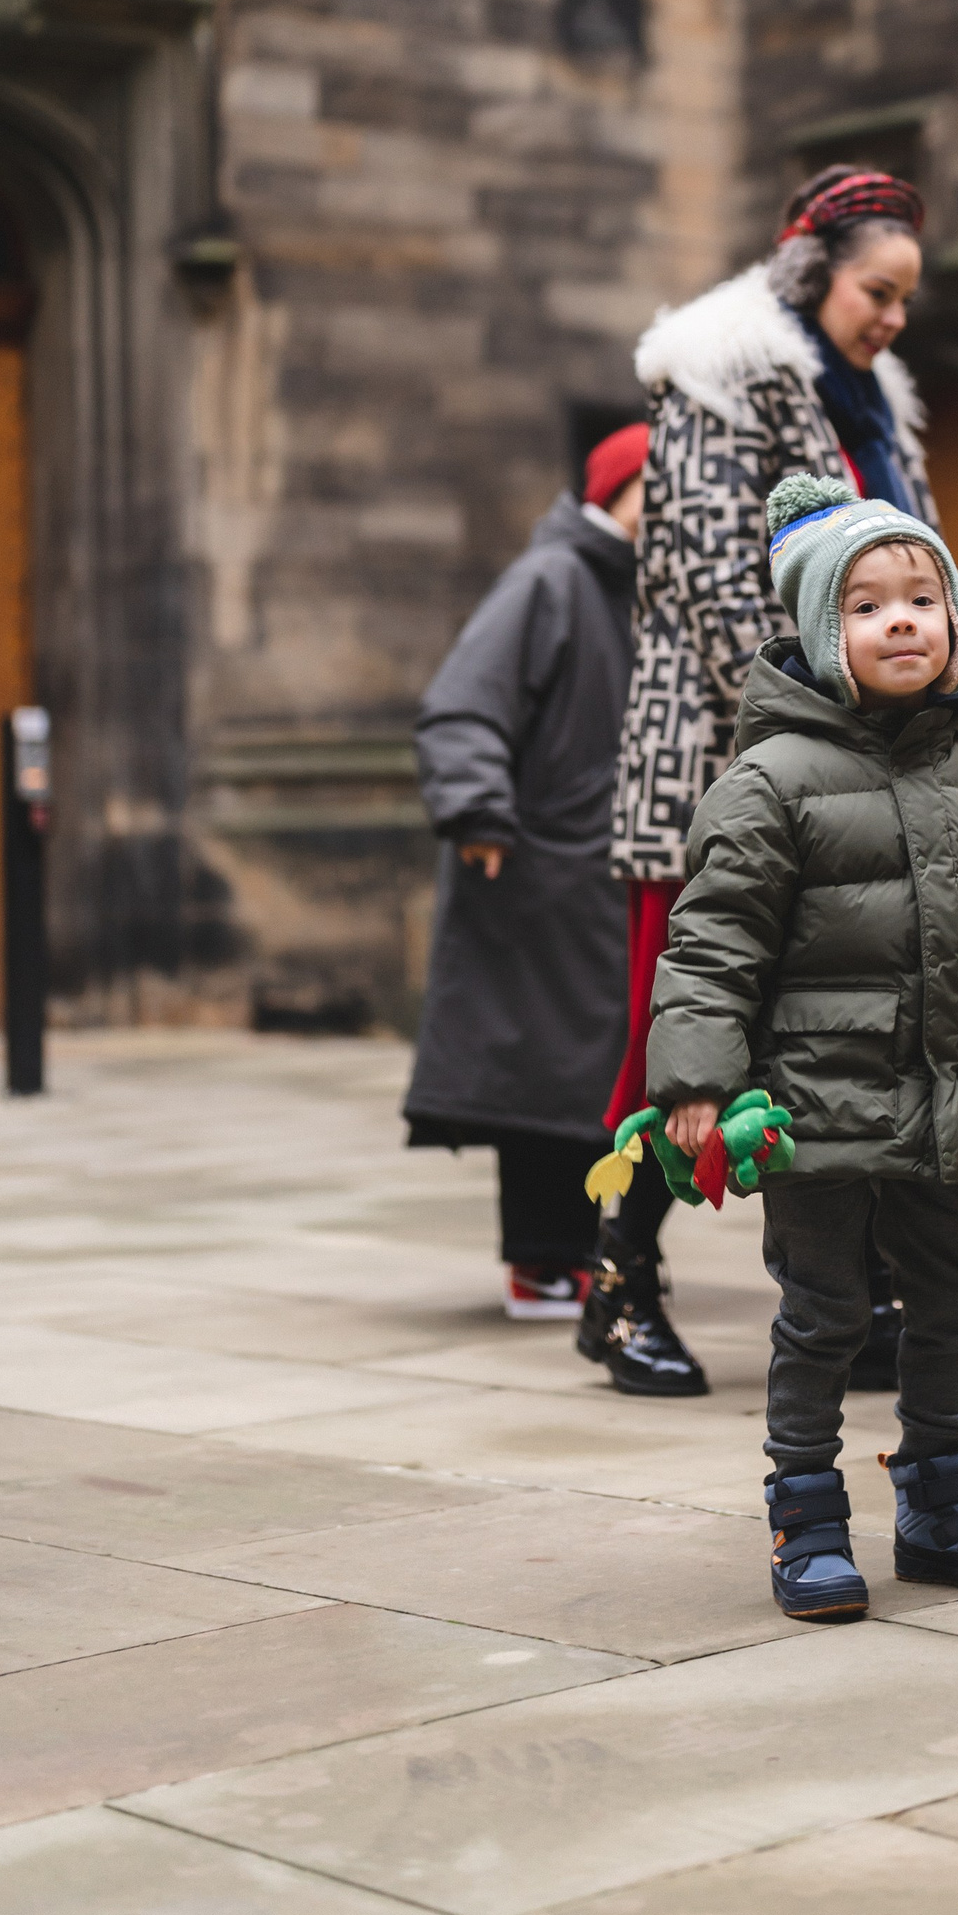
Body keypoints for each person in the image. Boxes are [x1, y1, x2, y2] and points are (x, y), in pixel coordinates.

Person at [645, 474, 958, 1619]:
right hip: (816, 1107)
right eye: (865, 606)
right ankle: (805, 1514)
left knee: (952, 1305)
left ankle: (940, 1502)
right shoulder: (769, 784)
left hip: (949, 1101)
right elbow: (710, 946)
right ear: (820, 632)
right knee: (825, 1314)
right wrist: (696, 1079)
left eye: (921, 599)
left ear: (954, 621)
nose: (901, 621)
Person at [607, 164, 958, 1394]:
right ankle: (619, 1289)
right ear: (812, 272)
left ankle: (879, 1301)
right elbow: (708, 579)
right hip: (726, 765)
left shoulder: (871, 401)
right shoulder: (715, 376)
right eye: (878, 292)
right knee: (681, 1028)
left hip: (875, 764)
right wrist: (830, 716)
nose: (895, 318)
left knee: (861, 1025)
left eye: (905, 299)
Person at [404, 424, 649, 1323]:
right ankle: (547, 1263)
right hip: (540, 867)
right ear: (619, 491)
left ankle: (597, 1253)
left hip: (601, 872)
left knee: (599, 1071)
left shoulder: (638, 586)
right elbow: (463, 705)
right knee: (547, 1073)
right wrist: (476, 809)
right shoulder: (553, 577)